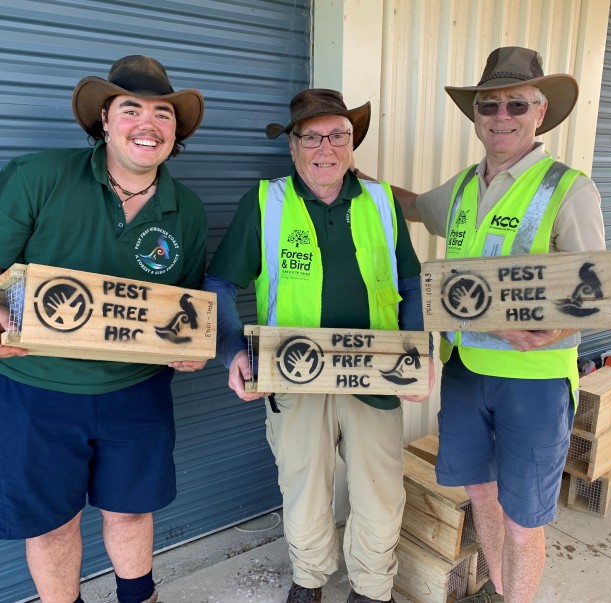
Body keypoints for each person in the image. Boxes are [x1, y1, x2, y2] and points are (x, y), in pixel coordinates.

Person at [0, 55, 208, 603]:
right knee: (51, 524)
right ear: (105, 121)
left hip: (134, 391)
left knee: (132, 511)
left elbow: (183, 310)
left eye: (162, 114)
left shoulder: (186, 209)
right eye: (131, 109)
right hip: (33, 389)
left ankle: (140, 597)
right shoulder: (38, 177)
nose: (148, 124)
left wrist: (191, 349)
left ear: (174, 132)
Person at [374, 47, 606, 603]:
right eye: (489, 106)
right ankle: (501, 592)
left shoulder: (568, 189)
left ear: (540, 111)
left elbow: (596, 295)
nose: (501, 116)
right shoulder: (460, 189)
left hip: (534, 380)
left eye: (515, 104)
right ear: (476, 115)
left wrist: (542, 329)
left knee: (525, 518)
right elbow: (409, 205)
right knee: (482, 496)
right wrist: (344, 174)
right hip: (465, 373)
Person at [203, 89, 431, 603]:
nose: (325, 147)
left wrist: (422, 356)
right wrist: (231, 351)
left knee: (380, 490)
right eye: (311, 136)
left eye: (338, 135)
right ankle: (309, 580)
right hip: (293, 375)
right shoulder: (264, 203)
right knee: (303, 489)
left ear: (352, 144)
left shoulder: (383, 202)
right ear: (292, 146)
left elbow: (414, 286)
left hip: (377, 376)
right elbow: (219, 285)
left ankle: (372, 589)